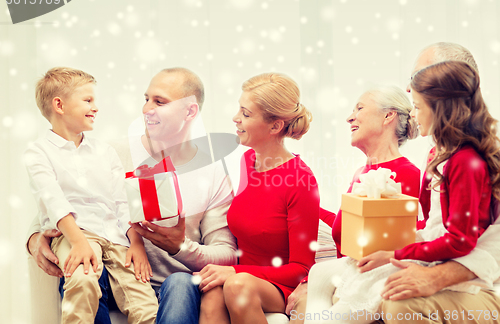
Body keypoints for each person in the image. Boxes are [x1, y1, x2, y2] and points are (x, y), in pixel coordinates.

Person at [27, 67, 237, 324]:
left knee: (180, 283)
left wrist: (180, 247)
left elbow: (226, 252)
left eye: (159, 102)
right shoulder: (111, 151)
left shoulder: (214, 176)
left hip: (173, 285)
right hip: (112, 268)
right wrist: (34, 239)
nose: (147, 109)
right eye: (146, 99)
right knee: (87, 271)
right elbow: (58, 203)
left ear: (189, 111)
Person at [24, 67, 158, 323]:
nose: (95, 107)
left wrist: (137, 243)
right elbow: (53, 200)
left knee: (145, 302)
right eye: (88, 100)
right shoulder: (39, 152)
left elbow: (121, 202)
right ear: (59, 105)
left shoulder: (104, 151)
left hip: (117, 238)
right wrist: (78, 242)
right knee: (83, 280)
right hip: (75, 234)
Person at [378, 43, 500, 324]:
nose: (408, 90)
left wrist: (436, 275)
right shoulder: (438, 155)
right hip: (444, 265)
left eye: (419, 76)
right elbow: (434, 227)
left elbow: (462, 238)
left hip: (484, 286)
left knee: (396, 304)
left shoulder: (474, 159)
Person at [195, 72, 320, 324]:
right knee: (211, 291)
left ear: (275, 126)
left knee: (237, 287)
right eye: (239, 110)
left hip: (278, 285)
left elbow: (301, 269)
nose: (235, 118)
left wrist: (234, 271)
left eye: (246, 114)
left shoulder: (300, 179)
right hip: (240, 277)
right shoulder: (247, 161)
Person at [292, 86, 419, 323]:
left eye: (360, 108)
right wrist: (300, 204)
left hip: (371, 278)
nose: (350, 117)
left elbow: (414, 240)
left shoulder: (407, 175)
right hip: (346, 273)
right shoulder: (363, 173)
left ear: (388, 116)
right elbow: (344, 227)